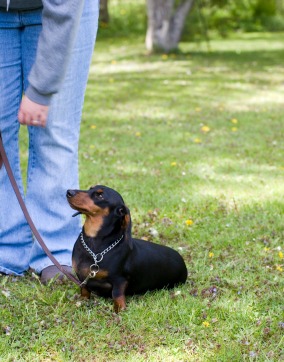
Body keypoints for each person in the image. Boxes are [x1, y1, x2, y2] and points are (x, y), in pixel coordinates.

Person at [0, 0, 99, 283]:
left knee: (54, 134)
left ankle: (55, 251)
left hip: (62, 13)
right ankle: (6, 249)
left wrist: (41, 90)